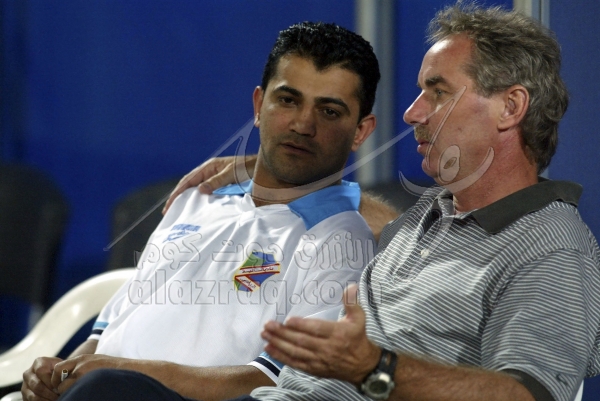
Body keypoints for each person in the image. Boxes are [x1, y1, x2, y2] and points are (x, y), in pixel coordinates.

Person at [55, 3, 600, 401]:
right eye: (420, 92)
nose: (413, 112)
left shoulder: (553, 250)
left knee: (108, 392)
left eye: (438, 92)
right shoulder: (436, 216)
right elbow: (362, 216)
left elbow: (528, 395)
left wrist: (375, 367)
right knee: (108, 389)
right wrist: (266, 167)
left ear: (510, 107)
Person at [21, 21, 386, 401]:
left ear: (360, 132)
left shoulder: (340, 241)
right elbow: (109, 330)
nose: (302, 124)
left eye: (329, 111)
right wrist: (58, 376)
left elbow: (277, 384)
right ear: (259, 105)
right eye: (288, 100)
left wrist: (120, 375)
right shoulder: (196, 197)